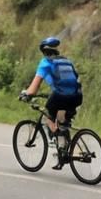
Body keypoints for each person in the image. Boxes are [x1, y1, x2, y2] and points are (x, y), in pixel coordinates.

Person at [19, 37, 83, 169]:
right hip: (76, 97)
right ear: (56, 50)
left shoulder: (45, 62)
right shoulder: (67, 61)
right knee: (62, 122)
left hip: (60, 96)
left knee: (49, 116)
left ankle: (59, 149)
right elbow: (72, 80)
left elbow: (33, 88)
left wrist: (26, 94)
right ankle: (63, 150)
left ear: (44, 52)